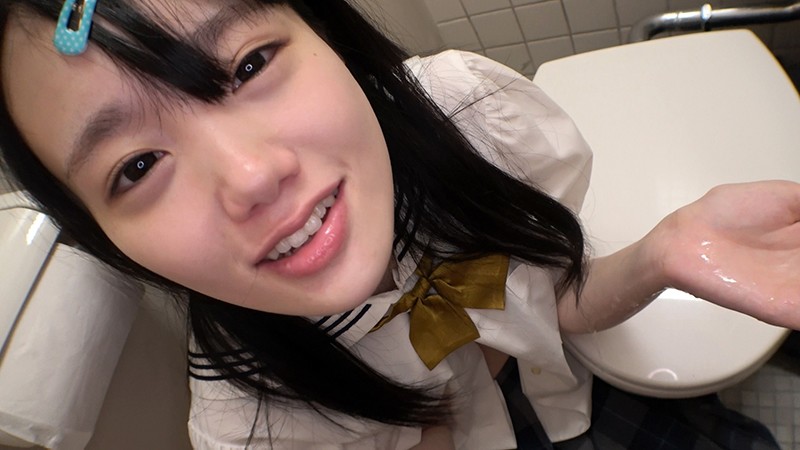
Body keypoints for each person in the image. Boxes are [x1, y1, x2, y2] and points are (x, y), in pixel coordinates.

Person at [1, 0, 798, 448]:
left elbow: (553, 301)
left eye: (250, 65)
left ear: (326, 32)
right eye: (138, 166)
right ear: (108, 239)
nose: (252, 176)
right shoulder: (255, 423)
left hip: (568, 390)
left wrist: (665, 251)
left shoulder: (473, 117)